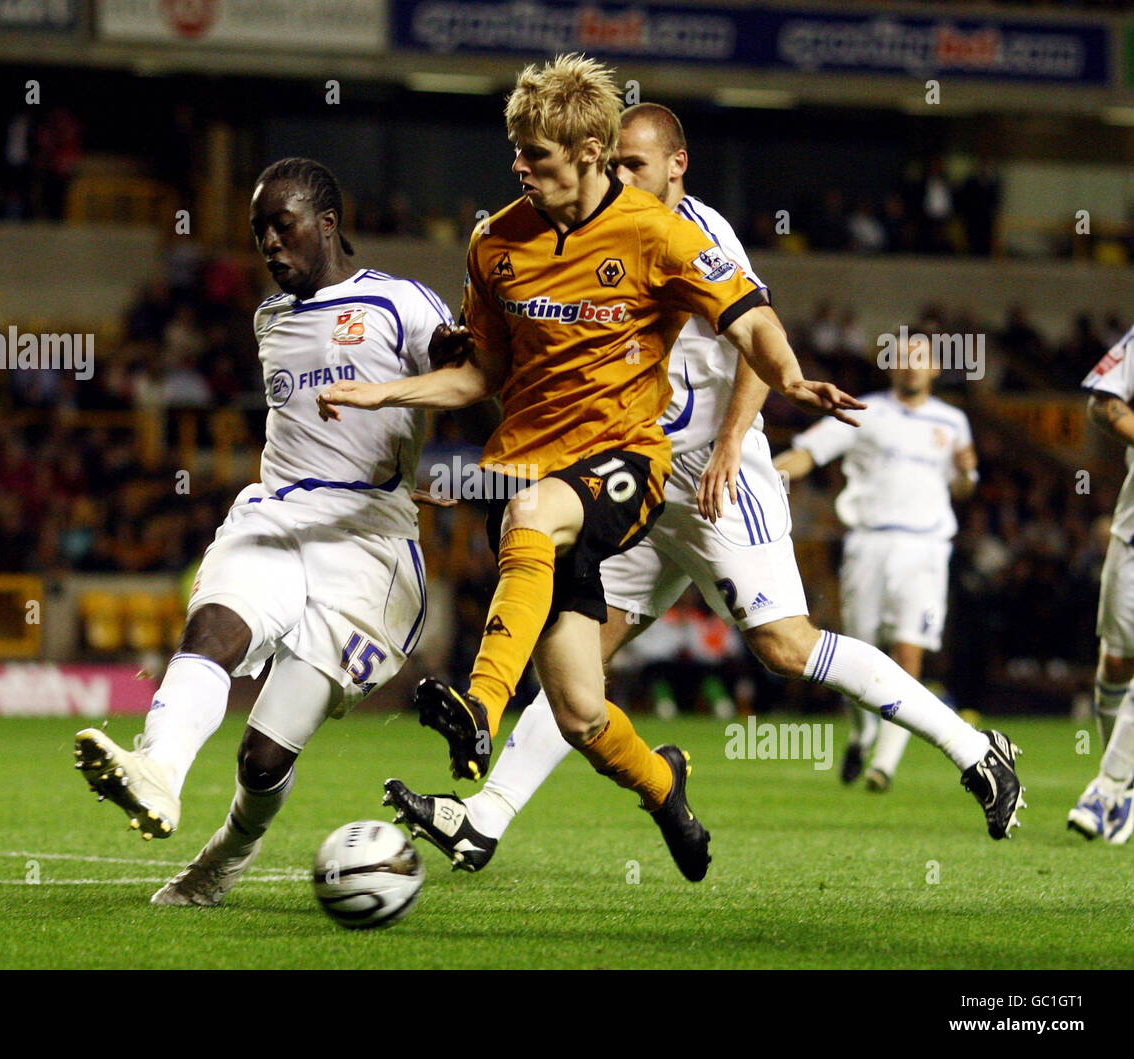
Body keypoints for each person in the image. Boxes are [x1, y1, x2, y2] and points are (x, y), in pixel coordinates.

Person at [374, 104, 1025, 875]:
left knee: (785, 645)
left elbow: (755, 333)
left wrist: (725, 448)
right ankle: (484, 817)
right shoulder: (593, 232)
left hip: (717, 475)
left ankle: (977, 750)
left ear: (676, 166)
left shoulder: (702, 235)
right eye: (611, 165)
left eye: (634, 166)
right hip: (624, 474)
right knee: (578, 659)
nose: (618, 179)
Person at [318, 57, 865, 882]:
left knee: (530, 513)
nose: (519, 167)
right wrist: (385, 392)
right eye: (516, 151)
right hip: (543, 464)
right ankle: (665, 786)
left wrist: (786, 374)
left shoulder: (658, 232)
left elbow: (752, 318)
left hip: (628, 464)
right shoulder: (495, 244)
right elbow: (481, 376)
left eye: (535, 154)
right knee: (579, 709)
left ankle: (479, 705)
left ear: (590, 151)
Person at [73, 158, 447, 906]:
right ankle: (157, 772)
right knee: (214, 630)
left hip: (369, 543)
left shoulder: (401, 303)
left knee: (265, 754)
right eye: (258, 232)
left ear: (328, 223)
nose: (269, 245)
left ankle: (222, 861)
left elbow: (466, 377)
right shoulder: (269, 317)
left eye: (284, 225)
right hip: (277, 512)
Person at [777, 334, 978, 792]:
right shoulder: (864, 412)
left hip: (926, 550)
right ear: (891, 368)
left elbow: (962, 490)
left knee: (909, 652)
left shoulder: (953, 422)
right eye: (904, 359)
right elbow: (809, 452)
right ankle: (862, 732)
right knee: (859, 650)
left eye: (920, 360)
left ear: (934, 369)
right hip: (868, 545)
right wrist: (769, 474)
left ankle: (883, 764)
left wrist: (966, 473)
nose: (911, 367)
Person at [1068, 324, 1134, 843]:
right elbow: (1102, 402)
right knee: (1116, 662)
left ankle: (1108, 785)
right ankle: (1126, 782)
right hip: (1132, 538)